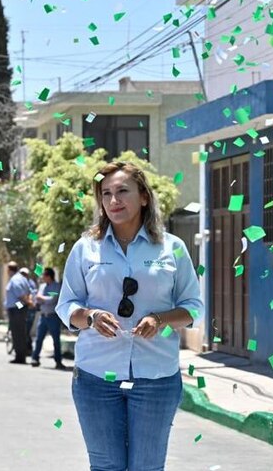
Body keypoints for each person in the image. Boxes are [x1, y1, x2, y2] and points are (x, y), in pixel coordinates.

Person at [56, 160, 204, 471]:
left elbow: (193, 307)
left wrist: (160, 319)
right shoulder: (85, 249)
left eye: (122, 191)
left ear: (144, 197)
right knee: (106, 467)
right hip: (96, 377)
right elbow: (66, 305)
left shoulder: (172, 248)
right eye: (106, 193)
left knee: (147, 468)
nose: (113, 200)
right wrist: (92, 316)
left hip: (156, 378)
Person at [31, 267, 67, 369]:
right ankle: (35, 358)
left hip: (53, 317)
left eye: (44, 275)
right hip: (43, 316)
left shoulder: (56, 287)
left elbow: (52, 300)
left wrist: (41, 298)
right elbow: (37, 299)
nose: (42, 277)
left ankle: (58, 361)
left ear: (49, 276)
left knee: (56, 340)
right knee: (38, 339)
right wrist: (39, 299)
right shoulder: (42, 286)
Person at [5, 262, 34, 364]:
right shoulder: (22, 278)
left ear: (9, 269)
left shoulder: (15, 279)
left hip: (16, 309)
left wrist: (28, 302)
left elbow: (20, 294)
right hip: (19, 307)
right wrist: (28, 302)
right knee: (20, 332)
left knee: (17, 333)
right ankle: (20, 355)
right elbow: (30, 291)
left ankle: (20, 356)